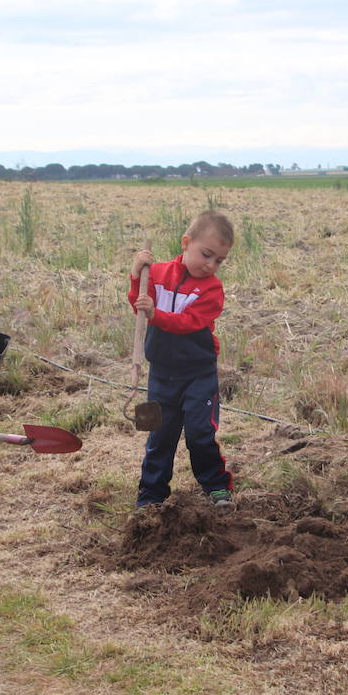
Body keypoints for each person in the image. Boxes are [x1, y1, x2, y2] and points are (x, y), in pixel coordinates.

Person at [129, 210, 236, 508]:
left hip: (198, 374)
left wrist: (155, 314)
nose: (211, 265)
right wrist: (137, 275)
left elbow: (187, 323)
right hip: (161, 373)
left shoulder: (212, 289)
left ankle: (216, 485)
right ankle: (151, 496)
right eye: (206, 254)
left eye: (219, 260)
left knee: (201, 433)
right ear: (186, 242)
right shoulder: (159, 273)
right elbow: (139, 303)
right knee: (159, 436)